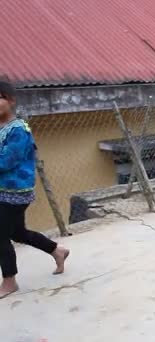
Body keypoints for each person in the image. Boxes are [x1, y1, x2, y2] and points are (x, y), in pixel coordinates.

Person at [0, 81, 70, 299]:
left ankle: (9, 281)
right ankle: (57, 251)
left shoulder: (18, 129)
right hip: (4, 191)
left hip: (15, 192)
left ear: (10, 100)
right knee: (17, 232)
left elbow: (6, 161)